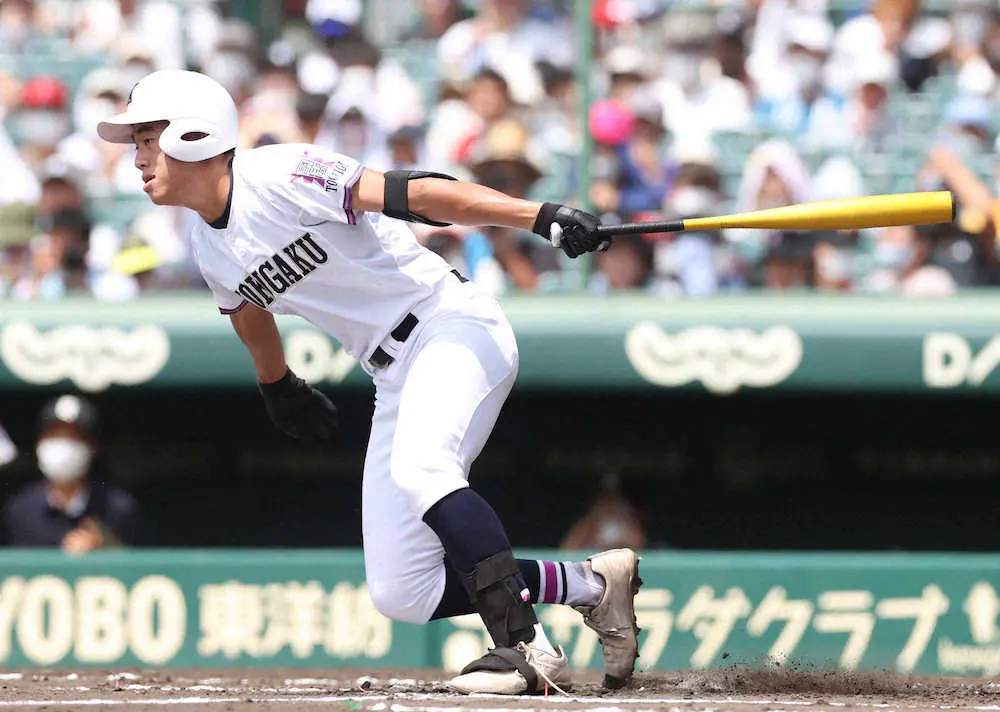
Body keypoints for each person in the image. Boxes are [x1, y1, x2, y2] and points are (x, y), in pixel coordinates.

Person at [97, 69, 640, 695]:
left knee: (423, 471)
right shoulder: (208, 246)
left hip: (449, 325)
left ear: (195, 135)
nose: (137, 157)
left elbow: (416, 194)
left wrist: (536, 216)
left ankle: (523, 644)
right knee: (402, 590)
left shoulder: (278, 173)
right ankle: (593, 587)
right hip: (392, 372)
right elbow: (250, 313)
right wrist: (277, 384)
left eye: (146, 138)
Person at [1, 395, 139, 552]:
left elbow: (137, 567)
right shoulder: (19, 508)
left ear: (92, 447)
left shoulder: (118, 507)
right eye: (54, 435)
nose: (63, 444)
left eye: (73, 436)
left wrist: (104, 548)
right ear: (40, 442)